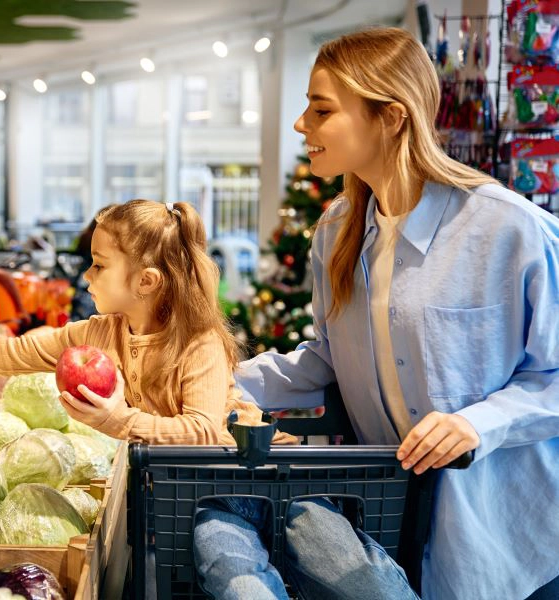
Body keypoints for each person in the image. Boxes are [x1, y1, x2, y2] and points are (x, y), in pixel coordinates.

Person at [196, 27, 559, 600]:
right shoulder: (338, 230)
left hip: (512, 543)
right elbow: (326, 359)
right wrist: (202, 382)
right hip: (396, 532)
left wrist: (475, 424)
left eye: (321, 110)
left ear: (390, 117)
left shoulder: (506, 228)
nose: (301, 126)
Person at [0, 199, 290, 445]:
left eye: (98, 266)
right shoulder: (100, 332)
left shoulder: (198, 343)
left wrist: (118, 421)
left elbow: (202, 432)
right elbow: (11, 353)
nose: (87, 277)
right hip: (190, 489)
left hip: (259, 471)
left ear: (146, 281)